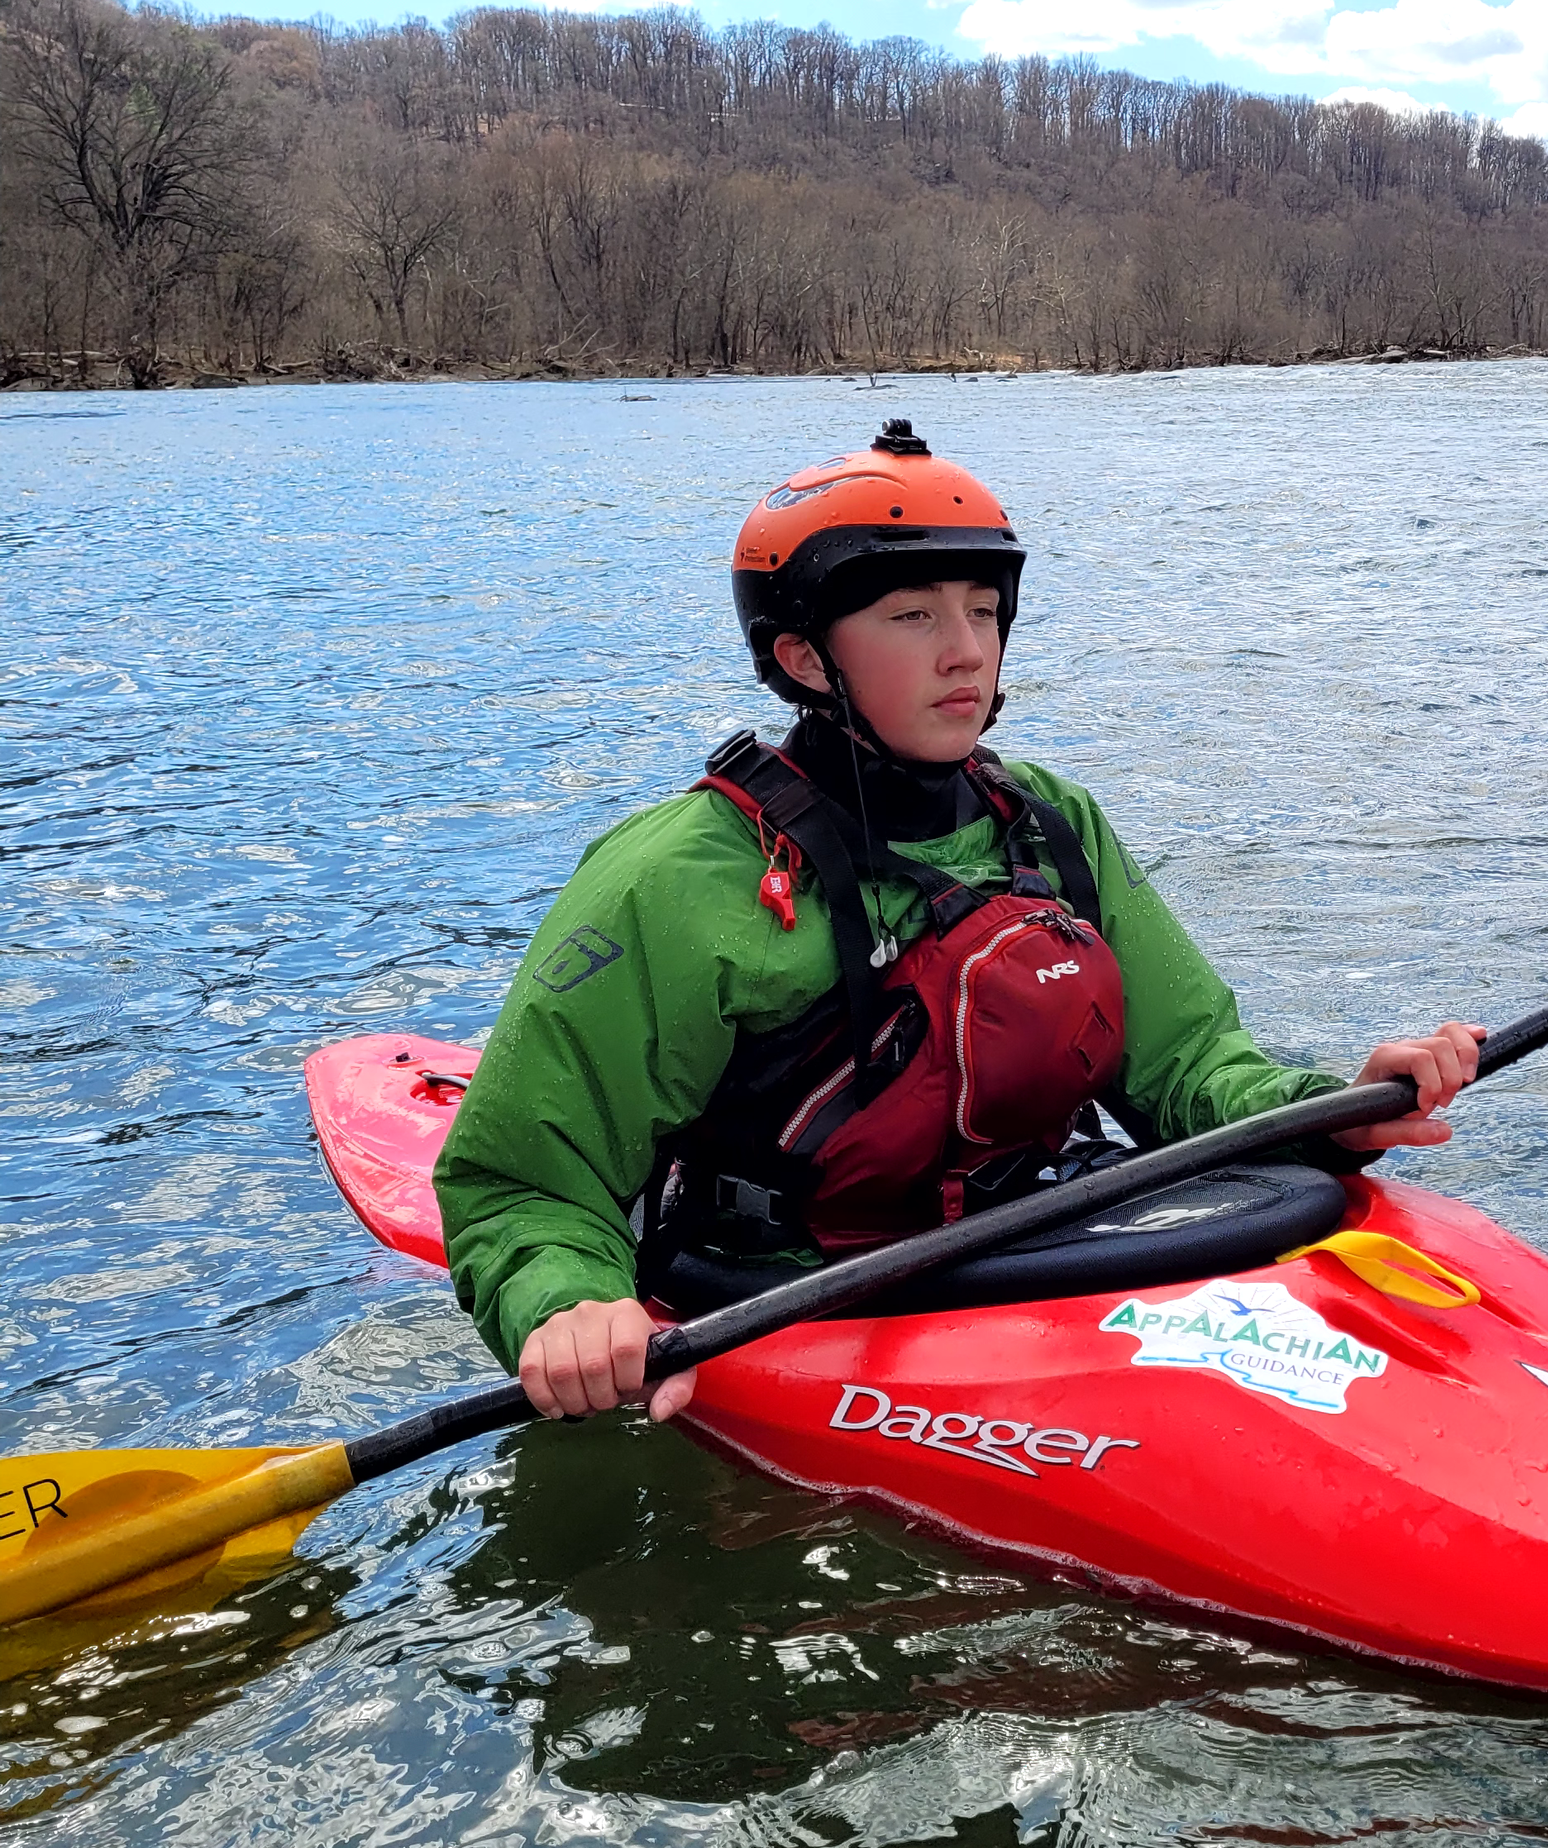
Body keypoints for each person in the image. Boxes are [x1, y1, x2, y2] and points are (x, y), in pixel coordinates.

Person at [436, 422, 1483, 1425]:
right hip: (797, 1289)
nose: (964, 653)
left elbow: (1190, 1066)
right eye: (913, 617)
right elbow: (522, 1181)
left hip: (1043, 1243)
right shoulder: (673, 879)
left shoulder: (1046, 822)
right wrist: (564, 1302)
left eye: (982, 611)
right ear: (804, 658)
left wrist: (1325, 1111)